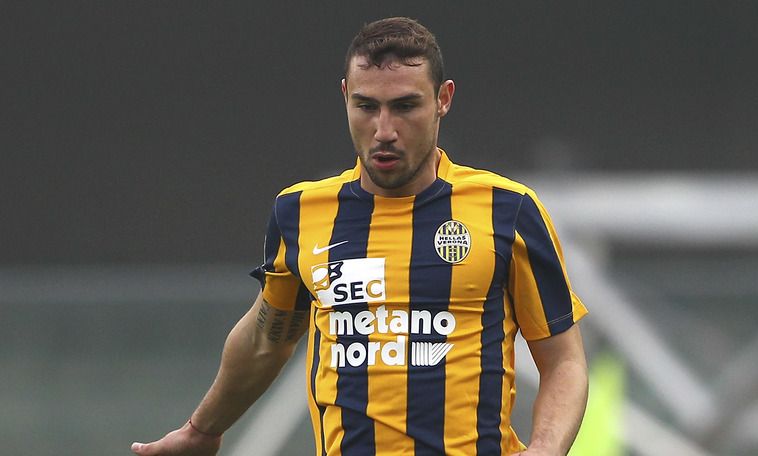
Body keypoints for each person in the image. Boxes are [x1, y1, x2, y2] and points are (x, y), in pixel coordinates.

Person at [131, 16, 588, 456]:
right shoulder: (299, 212)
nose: (384, 131)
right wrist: (200, 430)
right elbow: (268, 338)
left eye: (405, 106)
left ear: (443, 99)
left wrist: (545, 449)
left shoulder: (508, 211)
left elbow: (563, 361)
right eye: (367, 106)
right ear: (346, 95)